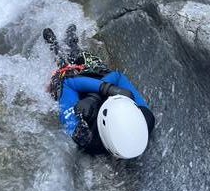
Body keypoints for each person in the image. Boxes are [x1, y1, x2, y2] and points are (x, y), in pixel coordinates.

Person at [43, 25, 155, 159]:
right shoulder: (146, 118)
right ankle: (73, 46)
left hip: (79, 92)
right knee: (90, 63)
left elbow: (68, 84)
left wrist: (92, 98)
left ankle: (55, 47)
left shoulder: (83, 135)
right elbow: (117, 76)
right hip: (102, 80)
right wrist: (103, 92)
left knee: (63, 71)